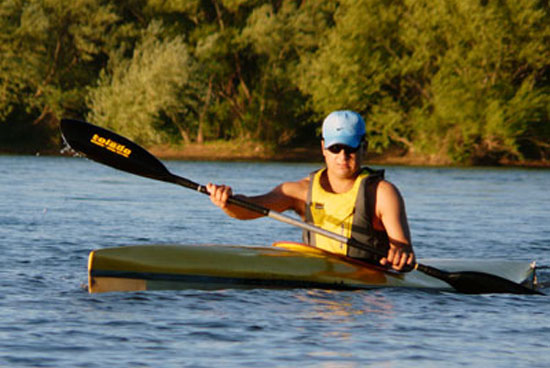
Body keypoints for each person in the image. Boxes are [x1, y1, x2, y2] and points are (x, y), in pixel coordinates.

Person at [206, 110, 415, 271]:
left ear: (364, 147)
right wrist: (227, 202)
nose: (342, 157)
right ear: (323, 148)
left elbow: (403, 246)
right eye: (335, 148)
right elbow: (249, 208)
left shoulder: (382, 193)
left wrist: (400, 253)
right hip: (316, 297)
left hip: (367, 290)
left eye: (350, 149)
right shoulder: (299, 190)